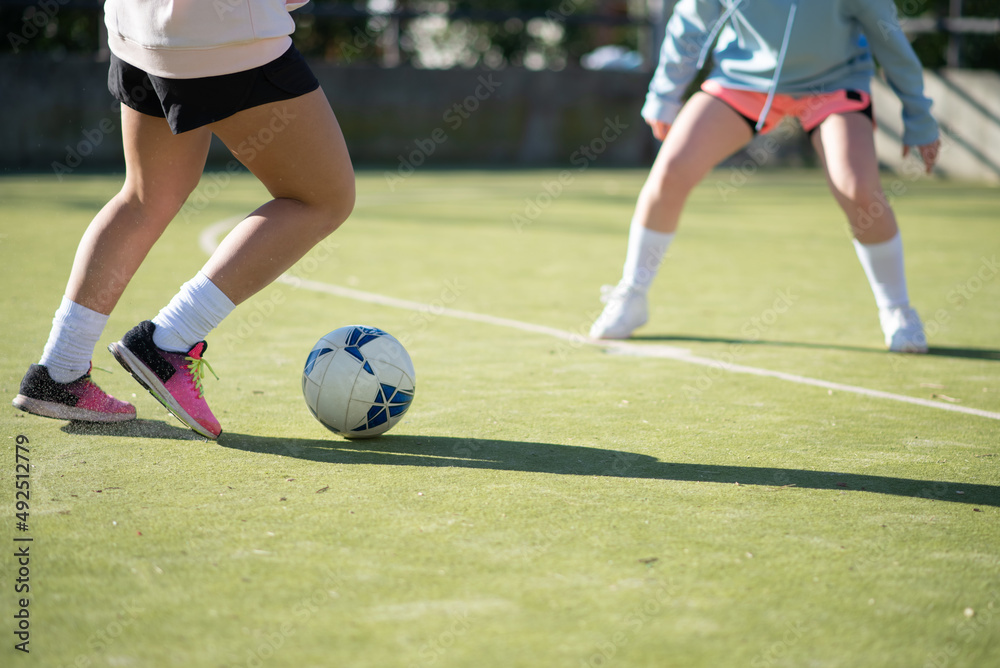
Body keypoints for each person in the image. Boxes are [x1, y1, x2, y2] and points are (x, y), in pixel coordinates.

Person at [12, 0, 355, 439]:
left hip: (137, 25)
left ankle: (59, 370)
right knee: (322, 197)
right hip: (221, 32)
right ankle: (167, 342)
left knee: (145, 195)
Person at [589, 0, 941, 353]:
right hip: (741, 82)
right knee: (670, 172)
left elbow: (889, 39)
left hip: (833, 85)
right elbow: (690, 24)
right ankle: (632, 296)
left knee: (858, 189)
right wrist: (664, 95)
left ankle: (897, 310)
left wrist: (919, 116)